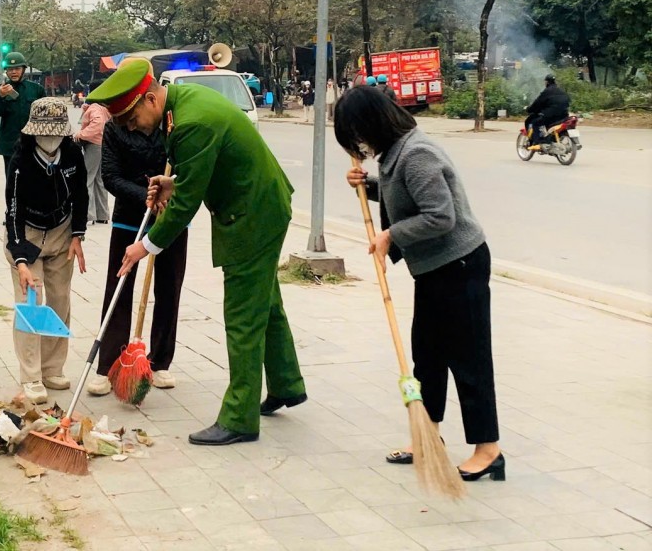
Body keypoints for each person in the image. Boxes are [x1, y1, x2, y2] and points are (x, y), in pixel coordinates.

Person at [94, 59, 305, 446]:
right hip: (259, 204)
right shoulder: (185, 103)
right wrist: (172, 182)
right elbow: (201, 170)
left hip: (252, 215)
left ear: (150, 99)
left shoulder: (189, 122)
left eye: (131, 118)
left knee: (242, 314)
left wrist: (145, 245)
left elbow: (186, 204)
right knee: (266, 302)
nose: (132, 127)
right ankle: (287, 383)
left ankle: (239, 418)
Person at [337, 86, 503, 482]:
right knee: (427, 355)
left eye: (357, 134)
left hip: (460, 263)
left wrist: (391, 236)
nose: (359, 144)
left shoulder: (417, 153)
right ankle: (428, 436)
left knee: (469, 358)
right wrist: (369, 186)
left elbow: (440, 216)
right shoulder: (398, 153)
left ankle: (488, 449)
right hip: (434, 268)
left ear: (372, 124)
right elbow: (404, 195)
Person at [87, 107, 189, 396]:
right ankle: (108, 364)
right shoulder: (114, 127)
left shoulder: (172, 124)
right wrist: (144, 197)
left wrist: (168, 193)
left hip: (171, 214)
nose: (132, 123)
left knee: (169, 286)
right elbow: (110, 177)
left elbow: (188, 171)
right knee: (118, 284)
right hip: (129, 215)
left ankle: (159, 362)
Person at [3, 97, 88, 404]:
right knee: (31, 303)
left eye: (55, 133)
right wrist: (21, 261)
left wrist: (78, 235)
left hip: (62, 231)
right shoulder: (21, 161)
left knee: (60, 300)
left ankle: (53, 367)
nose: (50, 139)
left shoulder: (72, 153)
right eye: (44, 133)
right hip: (26, 233)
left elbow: (81, 194)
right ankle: (31, 374)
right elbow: (12, 213)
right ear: (33, 132)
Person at [0, 51, 45, 192]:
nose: (13, 72)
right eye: (10, 69)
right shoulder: (0, 89)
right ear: (6, 71)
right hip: (10, 145)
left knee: (33, 182)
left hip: (33, 144)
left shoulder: (36, 90)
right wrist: (1, 96)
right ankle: (12, 212)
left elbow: (45, 116)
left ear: (23, 70)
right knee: (12, 183)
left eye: (17, 68)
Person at [74, 83, 111, 225]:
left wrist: (81, 134)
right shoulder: (103, 107)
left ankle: (88, 214)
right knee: (100, 180)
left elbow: (98, 124)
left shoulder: (95, 108)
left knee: (86, 179)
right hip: (104, 145)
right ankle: (102, 214)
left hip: (94, 146)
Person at [525, 74, 570, 143]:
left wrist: (529, 109)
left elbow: (537, 103)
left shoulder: (547, 91)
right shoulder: (561, 90)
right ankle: (550, 138)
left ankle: (540, 141)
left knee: (535, 122)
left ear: (547, 82)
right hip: (564, 116)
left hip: (551, 117)